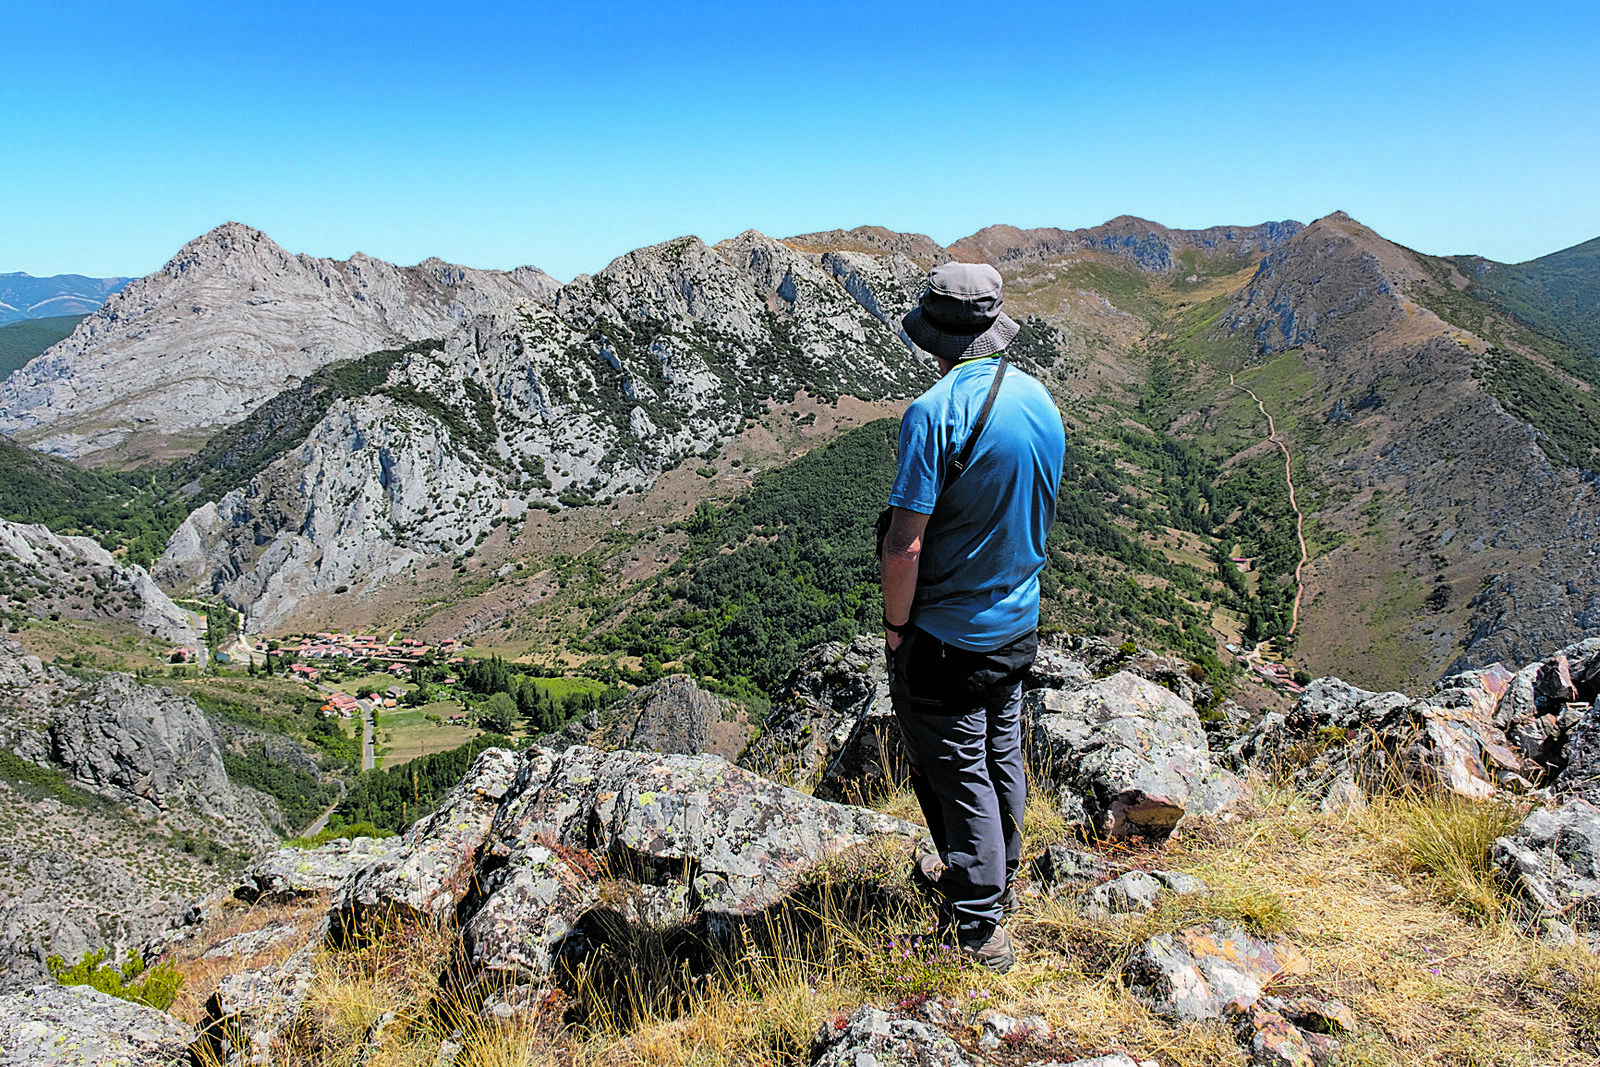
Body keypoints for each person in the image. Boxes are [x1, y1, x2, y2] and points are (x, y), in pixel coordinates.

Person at [881, 261, 1066, 972]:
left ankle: (979, 928)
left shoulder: (933, 413)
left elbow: (906, 543)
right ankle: (997, 879)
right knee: (1001, 753)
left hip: (948, 635)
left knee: (956, 768)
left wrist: (898, 628)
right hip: (1017, 622)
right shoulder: (1040, 400)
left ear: (936, 333)